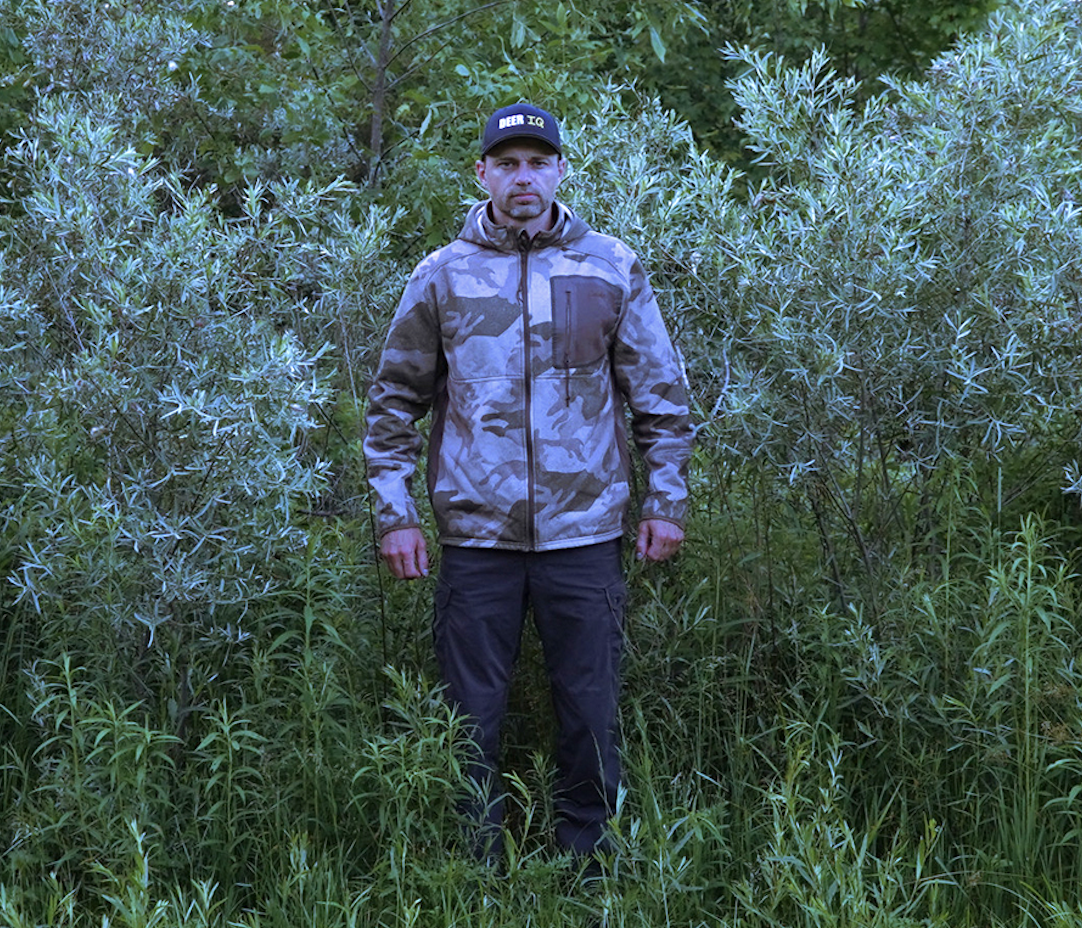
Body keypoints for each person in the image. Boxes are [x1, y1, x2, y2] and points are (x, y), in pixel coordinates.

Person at [363, 102, 693, 861]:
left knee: (588, 712)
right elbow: (394, 403)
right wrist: (396, 515)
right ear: (481, 174)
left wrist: (665, 502)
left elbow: (661, 397)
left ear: (560, 171)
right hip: (476, 535)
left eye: (537, 162)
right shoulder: (442, 275)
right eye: (506, 163)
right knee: (468, 715)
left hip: (585, 534)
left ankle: (587, 865)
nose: (523, 177)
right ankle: (471, 872)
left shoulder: (609, 264)